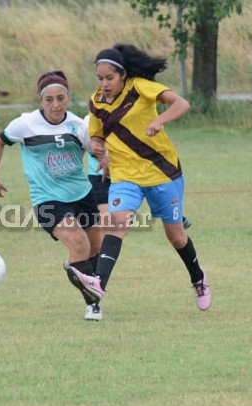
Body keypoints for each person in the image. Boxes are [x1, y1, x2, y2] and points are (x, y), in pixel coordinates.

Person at [88, 44, 211, 311]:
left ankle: (198, 279)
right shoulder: (96, 102)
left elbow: (182, 103)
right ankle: (98, 284)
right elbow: (97, 135)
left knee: (176, 237)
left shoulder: (140, 87)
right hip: (125, 175)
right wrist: (98, 148)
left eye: (110, 78)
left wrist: (160, 121)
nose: (104, 84)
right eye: (100, 78)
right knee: (116, 223)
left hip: (162, 172)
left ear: (123, 75)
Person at [0, 71, 107, 321]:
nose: (55, 104)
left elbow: (96, 152)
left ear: (68, 98)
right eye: (49, 99)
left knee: (95, 246)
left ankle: (83, 282)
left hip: (82, 195)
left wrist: (106, 159)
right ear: (41, 101)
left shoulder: (78, 125)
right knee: (79, 244)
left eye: (60, 98)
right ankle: (92, 303)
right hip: (47, 200)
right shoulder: (25, 124)